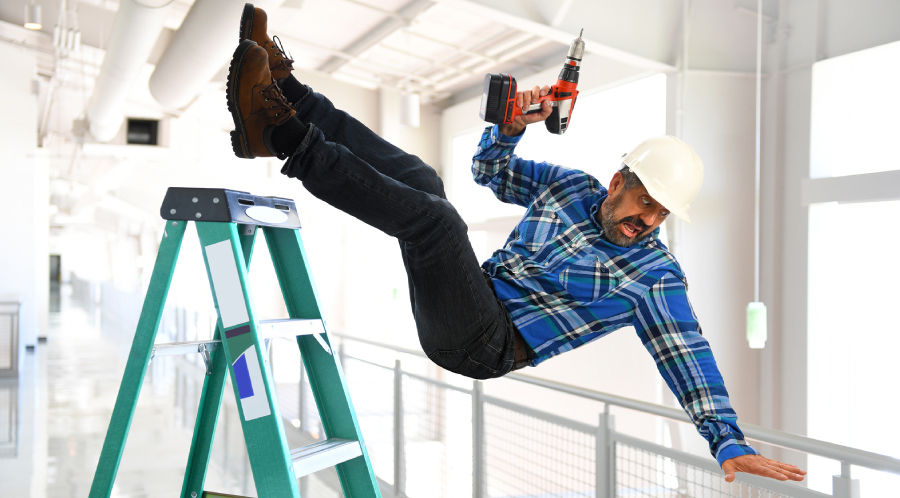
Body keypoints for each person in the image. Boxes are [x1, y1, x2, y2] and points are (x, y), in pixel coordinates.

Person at [226, 3, 807, 484]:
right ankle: (291, 96)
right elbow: (489, 172)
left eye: (660, 213)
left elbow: (688, 356)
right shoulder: (570, 188)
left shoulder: (654, 277)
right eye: (644, 200)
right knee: (428, 183)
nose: (648, 220)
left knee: (436, 222)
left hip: (486, 345)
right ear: (618, 181)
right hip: (474, 294)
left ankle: (280, 135)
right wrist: (506, 130)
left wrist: (725, 441)